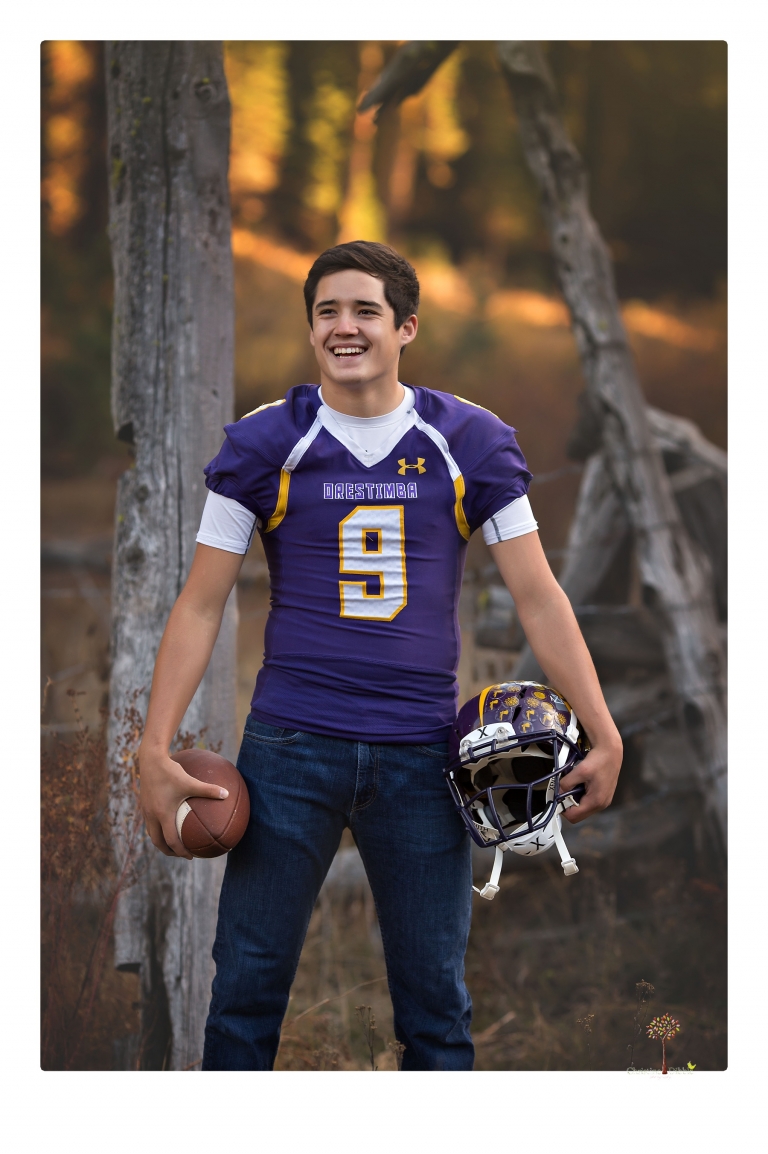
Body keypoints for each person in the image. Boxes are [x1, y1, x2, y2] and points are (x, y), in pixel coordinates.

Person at [138, 240, 623, 1071]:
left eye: (364, 310)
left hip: (420, 753)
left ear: (406, 327)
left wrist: (604, 732)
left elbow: (541, 595)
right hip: (291, 746)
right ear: (311, 328)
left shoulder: (470, 441)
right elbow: (201, 601)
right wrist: (153, 743)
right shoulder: (265, 444)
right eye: (327, 311)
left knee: (435, 1004)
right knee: (246, 993)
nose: (344, 326)